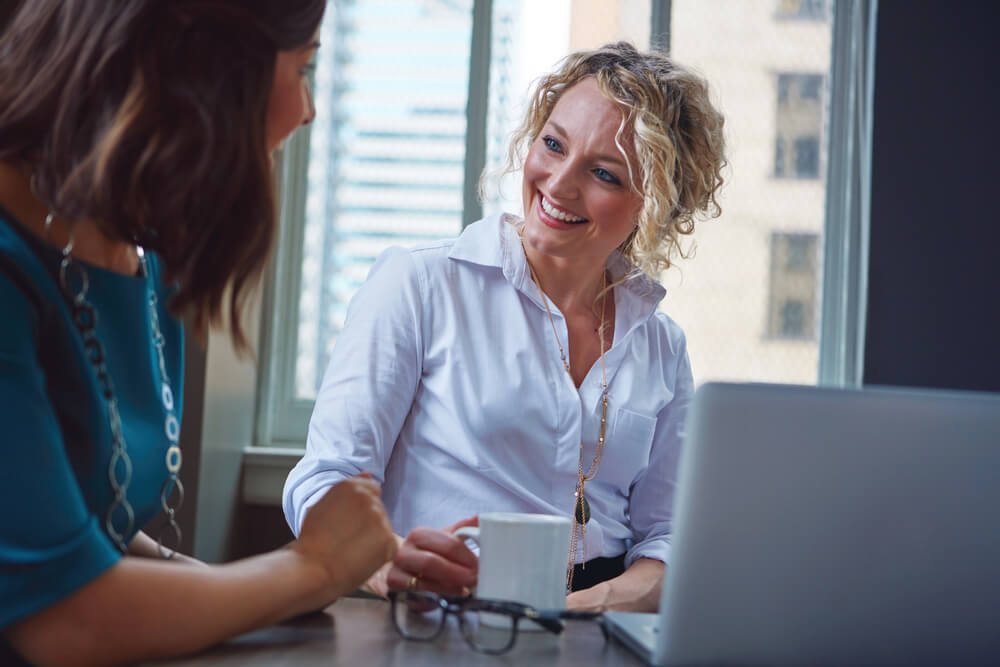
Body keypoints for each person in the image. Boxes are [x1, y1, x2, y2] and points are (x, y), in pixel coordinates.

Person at [0, 1, 398, 664]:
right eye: (305, 68)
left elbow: (73, 522)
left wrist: (303, 574)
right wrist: (314, 566)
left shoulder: (132, 249)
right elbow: (62, 617)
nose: (308, 111)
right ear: (212, 70)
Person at [283, 41, 726, 612]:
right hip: (433, 619)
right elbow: (324, 478)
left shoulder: (662, 346)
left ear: (657, 202)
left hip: (596, 625)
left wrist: (589, 608)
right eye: (553, 144)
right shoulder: (418, 284)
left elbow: (667, 539)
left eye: (603, 173)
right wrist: (383, 559)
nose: (558, 185)